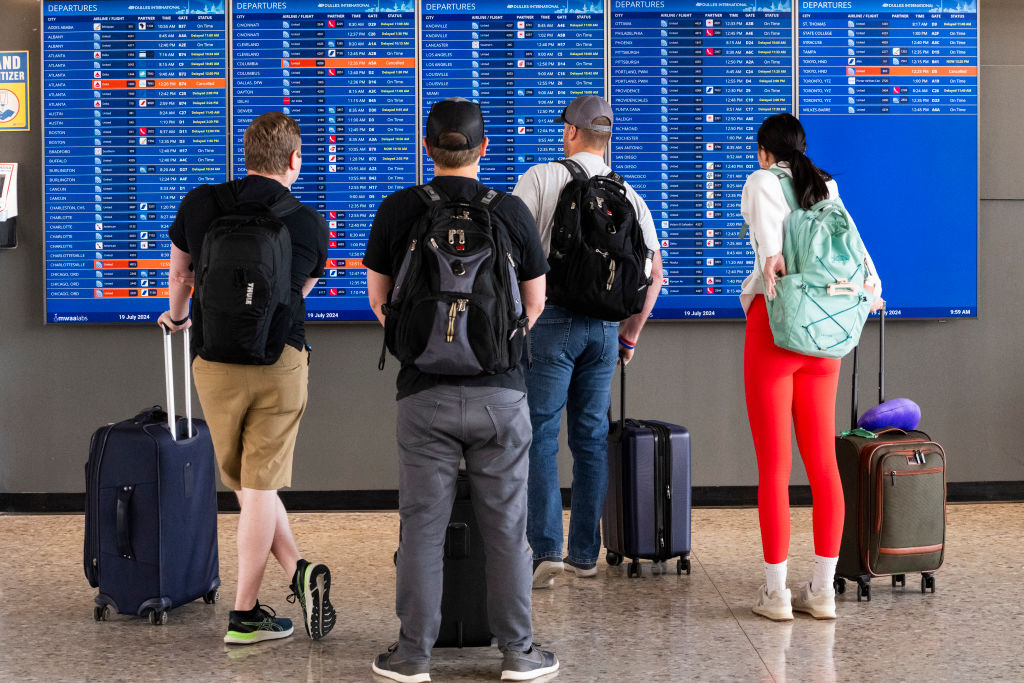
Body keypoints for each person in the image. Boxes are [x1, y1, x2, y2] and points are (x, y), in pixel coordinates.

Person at [363, 97, 558, 682]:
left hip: (422, 397)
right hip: (502, 394)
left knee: (422, 527)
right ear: (483, 150)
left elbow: (380, 300)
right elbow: (536, 301)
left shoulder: (400, 209)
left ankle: (413, 657)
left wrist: (421, 345)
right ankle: (518, 654)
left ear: (427, 149)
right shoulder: (511, 212)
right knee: (507, 528)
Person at [158, 112, 335, 644]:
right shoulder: (306, 221)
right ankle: (244, 614)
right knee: (260, 485)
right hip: (278, 363)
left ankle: (299, 572)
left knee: (246, 485)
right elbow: (295, 294)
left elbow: (182, 275)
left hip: (212, 362)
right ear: (292, 160)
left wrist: (180, 316)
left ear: (246, 155)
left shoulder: (200, 203)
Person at [512, 94, 663, 587]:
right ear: (607, 138)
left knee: (540, 435)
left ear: (572, 132)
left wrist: (520, 321)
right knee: (591, 439)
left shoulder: (540, 178)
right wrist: (630, 336)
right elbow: (655, 274)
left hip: (550, 322)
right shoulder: (630, 195)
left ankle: (545, 550)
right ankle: (584, 554)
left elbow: (510, 256)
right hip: (604, 332)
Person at [741, 112, 883, 621]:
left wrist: (774, 259)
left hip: (776, 330)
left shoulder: (761, 181)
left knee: (775, 467)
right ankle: (822, 590)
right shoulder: (826, 185)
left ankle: (776, 594)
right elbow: (864, 267)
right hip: (826, 336)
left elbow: (770, 257)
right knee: (823, 464)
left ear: (764, 152)